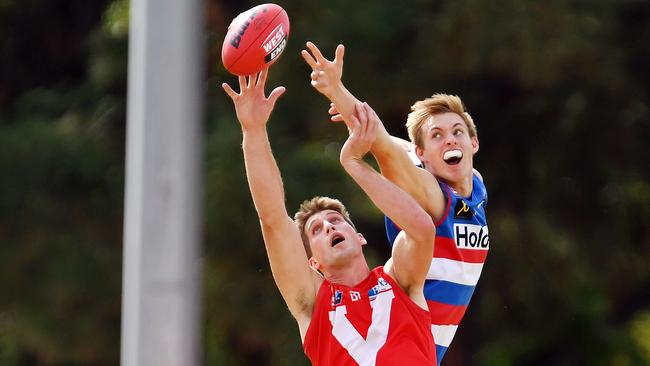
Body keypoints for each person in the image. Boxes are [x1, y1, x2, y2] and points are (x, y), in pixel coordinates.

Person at [222, 68, 437, 365]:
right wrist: (252, 130)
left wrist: (354, 163)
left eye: (336, 221)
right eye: (316, 231)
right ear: (313, 262)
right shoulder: (312, 300)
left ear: (359, 237)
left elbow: (422, 230)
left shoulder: (399, 280)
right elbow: (273, 219)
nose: (328, 226)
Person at [301, 42, 490, 363]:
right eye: (437, 136)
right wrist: (335, 89)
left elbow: (379, 136)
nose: (450, 140)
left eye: (457, 132)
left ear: (473, 142)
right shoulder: (433, 194)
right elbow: (385, 151)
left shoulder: (476, 185)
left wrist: (343, 101)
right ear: (423, 156)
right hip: (402, 336)